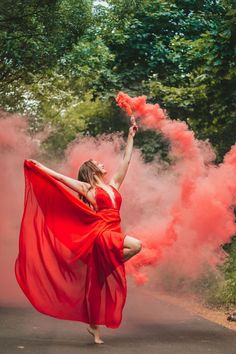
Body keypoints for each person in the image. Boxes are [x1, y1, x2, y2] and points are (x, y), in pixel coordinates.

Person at [15, 122, 142, 344]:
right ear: (91, 171)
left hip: (114, 229)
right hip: (101, 232)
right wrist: (39, 167)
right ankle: (111, 264)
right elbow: (61, 179)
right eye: (98, 163)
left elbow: (126, 161)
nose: (103, 164)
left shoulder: (113, 185)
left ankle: (94, 327)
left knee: (98, 284)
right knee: (137, 245)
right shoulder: (88, 189)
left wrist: (130, 137)